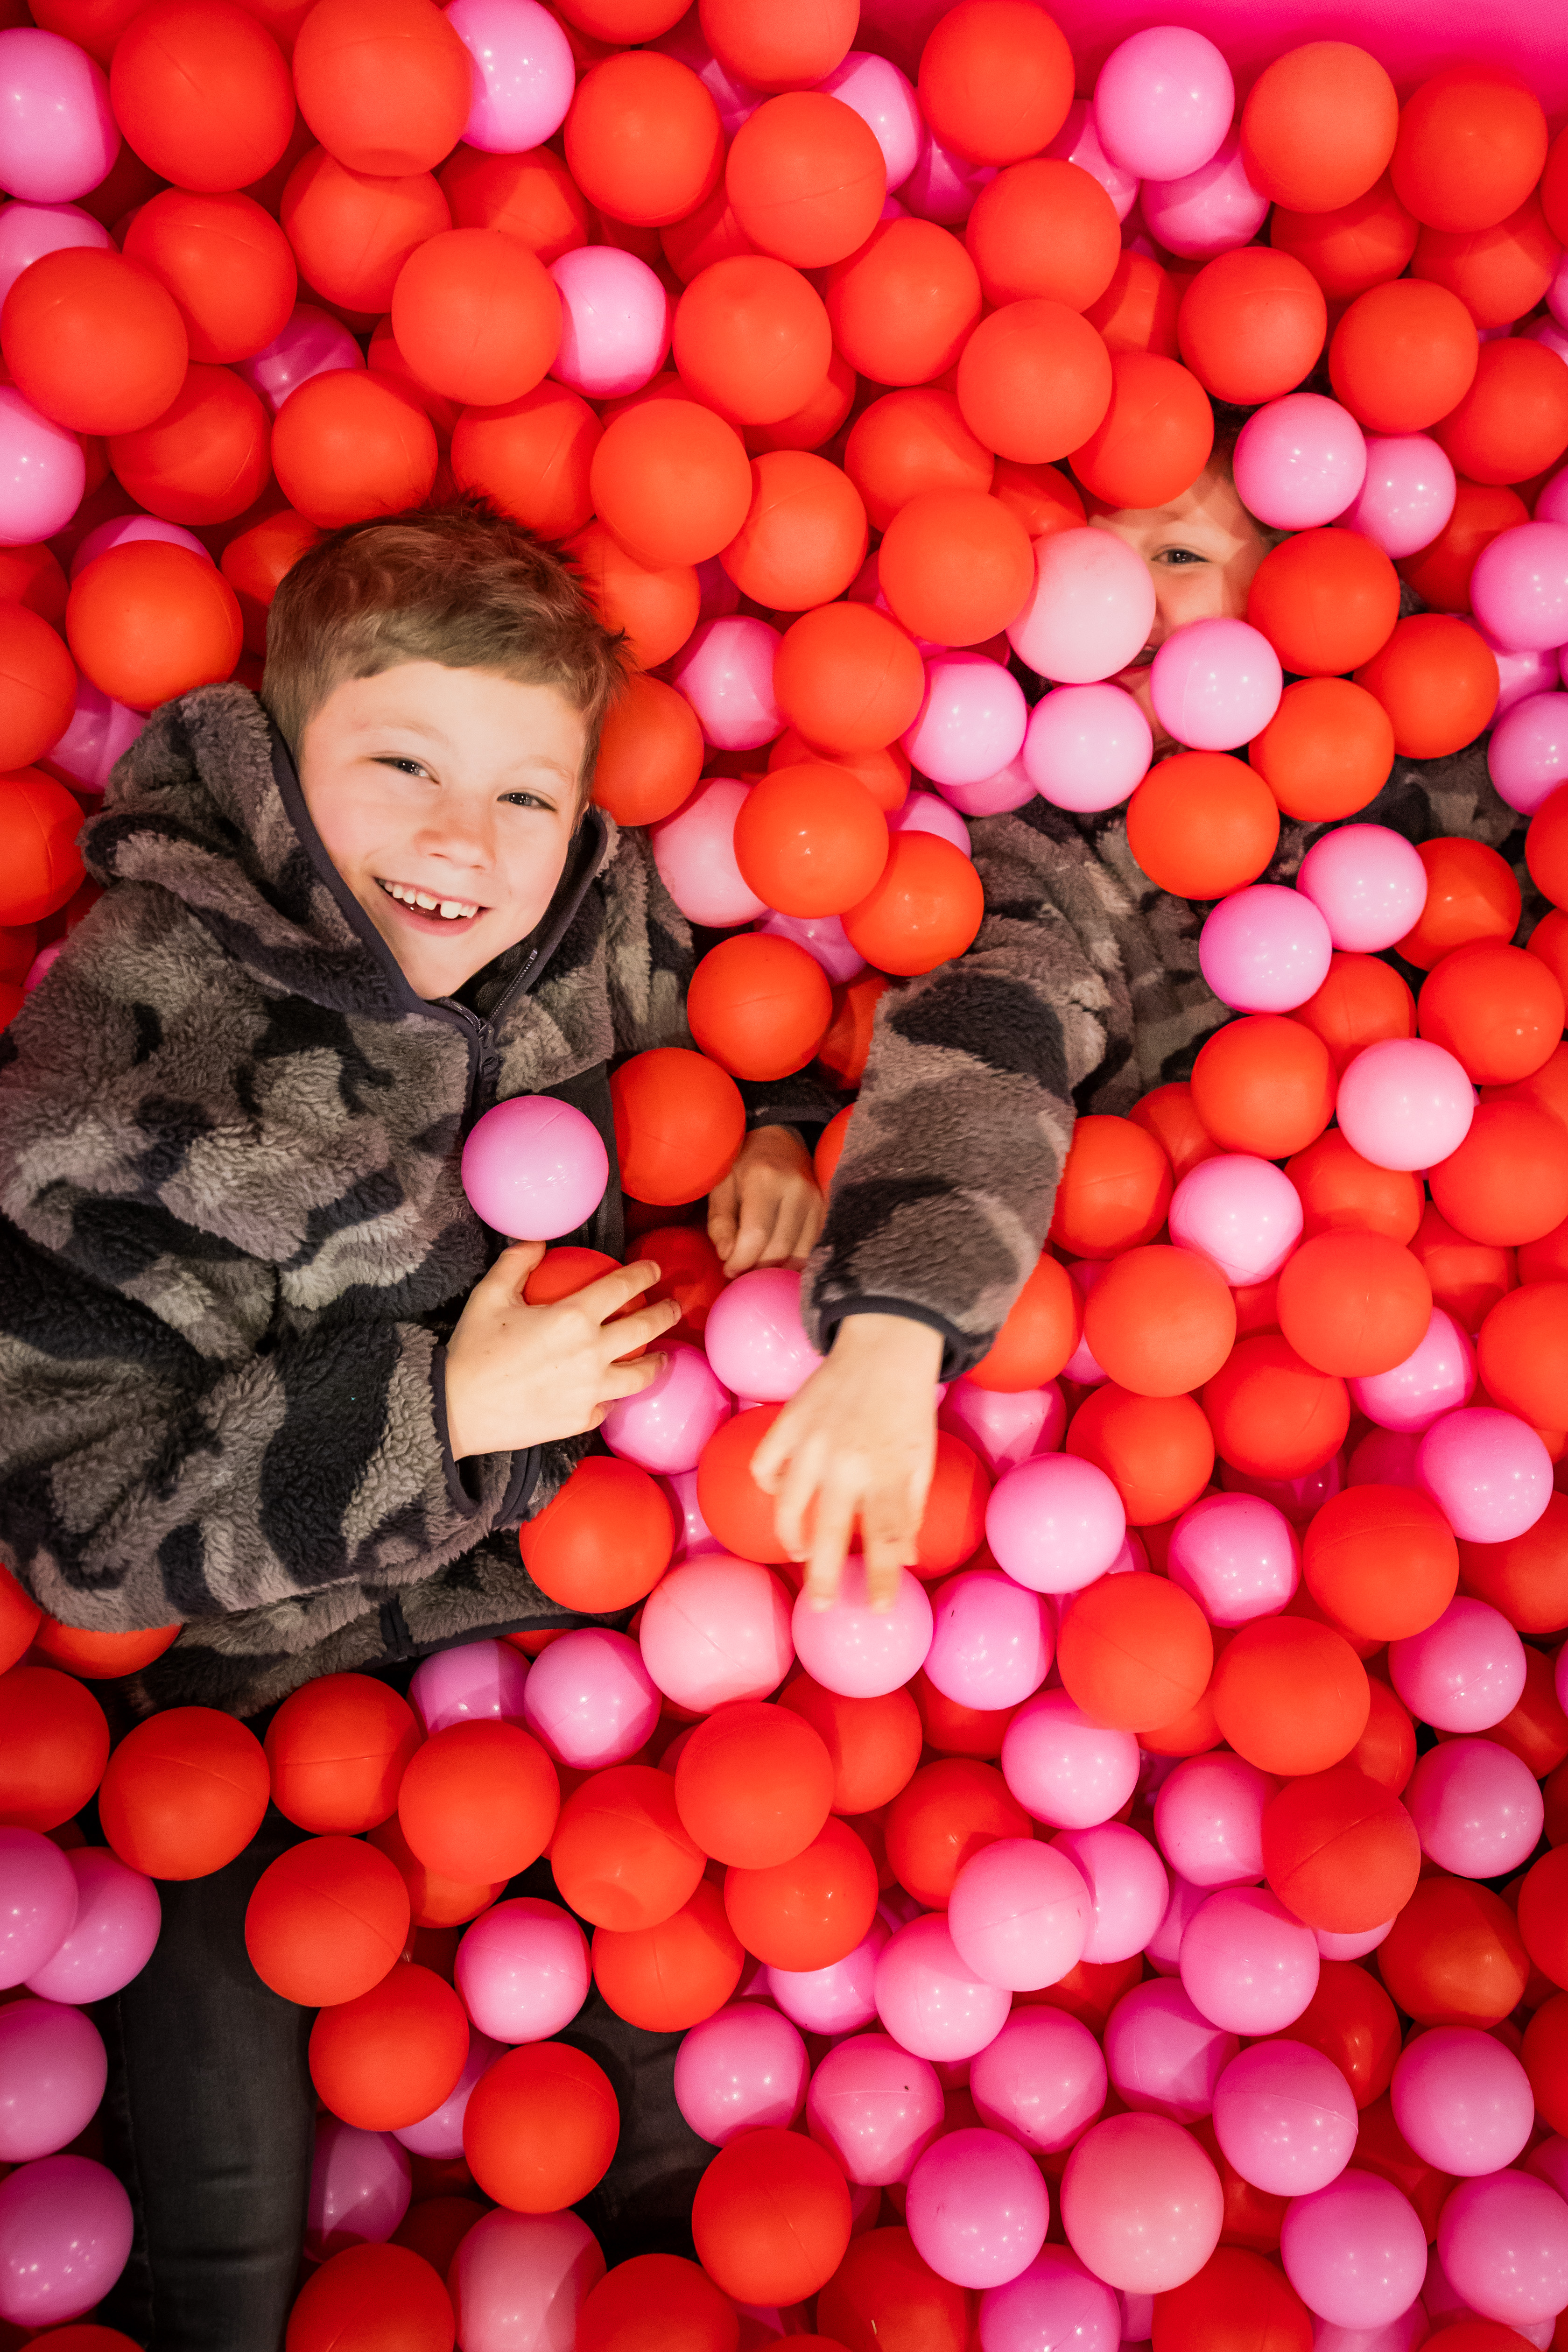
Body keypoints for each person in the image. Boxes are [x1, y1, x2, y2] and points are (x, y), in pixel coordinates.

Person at [765, 433, 1541, 1602]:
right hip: (1163, 1373)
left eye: (1176, 552)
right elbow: (991, 1023)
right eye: (1082, 557)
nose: (1113, 592)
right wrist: (896, 1322)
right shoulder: (1050, 855)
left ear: (1301, 588)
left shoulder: (1425, 770)